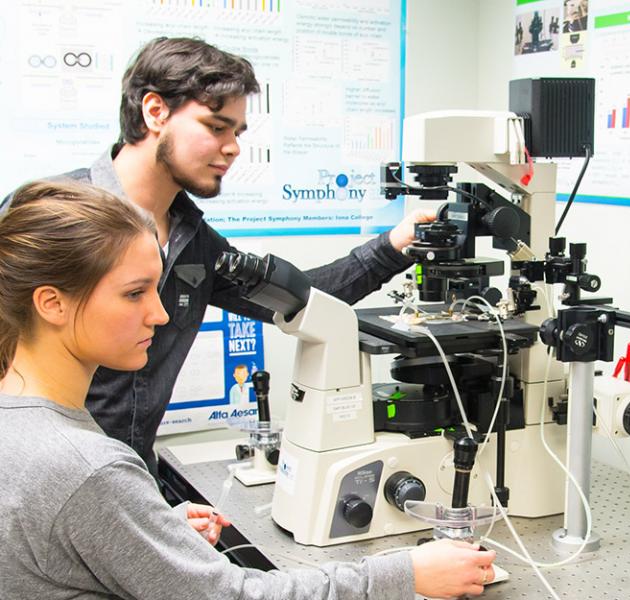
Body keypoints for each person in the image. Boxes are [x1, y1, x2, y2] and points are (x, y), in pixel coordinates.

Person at [0, 180, 495, 600]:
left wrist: (147, 532)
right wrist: (407, 573)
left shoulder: (26, 424)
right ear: (52, 303)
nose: (161, 313)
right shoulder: (87, 468)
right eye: (134, 293)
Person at [1, 37, 434, 477]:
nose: (233, 148)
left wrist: (393, 245)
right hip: (42, 479)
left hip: (131, 480)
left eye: (237, 132)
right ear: (155, 112)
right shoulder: (44, 216)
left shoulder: (194, 240)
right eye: (215, 126)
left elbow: (298, 298)